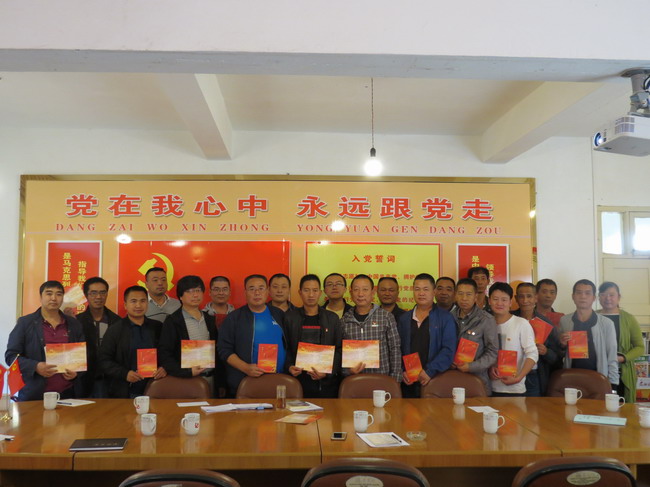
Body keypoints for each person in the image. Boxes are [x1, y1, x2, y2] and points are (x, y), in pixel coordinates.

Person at [6, 280, 85, 401]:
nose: (54, 298)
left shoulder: (74, 324)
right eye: (49, 293)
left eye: (59, 294)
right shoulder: (25, 323)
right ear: (40, 297)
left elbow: (81, 357)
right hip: (34, 394)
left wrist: (76, 373)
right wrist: (35, 366)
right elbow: (11, 356)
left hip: (67, 394)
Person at [218, 274, 287, 396]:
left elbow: (288, 344)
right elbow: (224, 350)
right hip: (245, 382)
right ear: (245, 293)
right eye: (252, 289)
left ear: (267, 291)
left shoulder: (278, 314)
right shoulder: (234, 318)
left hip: (278, 380)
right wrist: (245, 367)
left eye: (261, 288)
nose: (257, 293)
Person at [99, 285, 166, 398]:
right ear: (125, 305)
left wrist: (164, 367)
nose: (138, 305)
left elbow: (168, 352)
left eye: (143, 301)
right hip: (125, 391)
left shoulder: (158, 327)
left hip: (155, 389)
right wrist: (125, 373)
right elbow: (104, 360)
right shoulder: (115, 330)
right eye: (133, 301)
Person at [397, 273, 456, 397]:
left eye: (425, 289)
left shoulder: (445, 318)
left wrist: (430, 371)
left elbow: (448, 349)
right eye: (417, 289)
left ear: (434, 292)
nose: (421, 293)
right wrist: (402, 370)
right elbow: (398, 348)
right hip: (408, 381)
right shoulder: (404, 318)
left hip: (435, 379)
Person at [285, 274, 342, 398]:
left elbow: (339, 349)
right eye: (306, 290)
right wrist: (289, 367)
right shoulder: (290, 318)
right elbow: (286, 347)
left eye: (315, 290)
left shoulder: (332, 318)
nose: (311, 295)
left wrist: (327, 372)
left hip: (326, 384)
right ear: (300, 292)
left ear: (320, 293)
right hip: (298, 381)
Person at [341, 274, 402, 382]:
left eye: (365, 289)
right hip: (354, 381)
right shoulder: (345, 320)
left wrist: (395, 380)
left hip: (382, 380)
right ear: (351, 293)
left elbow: (395, 349)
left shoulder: (386, 317)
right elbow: (340, 352)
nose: (360, 294)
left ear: (373, 292)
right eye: (356, 290)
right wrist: (348, 371)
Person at [559, 279, 619, 390]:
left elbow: (612, 356)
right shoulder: (565, 321)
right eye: (579, 292)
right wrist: (562, 345)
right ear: (573, 296)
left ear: (594, 298)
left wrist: (613, 384)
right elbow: (561, 354)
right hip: (571, 379)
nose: (583, 296)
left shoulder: (606, 323)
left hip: (598, 379)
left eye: (587, 293)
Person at [513, 282, 564, 396]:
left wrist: (546, 352)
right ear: (516, 299)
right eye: (521, 296)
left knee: (534, 407)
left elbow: (558, 357)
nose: (525, 300)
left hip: (534, 375)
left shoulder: (546, 324)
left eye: (529, 296)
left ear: (536, 298)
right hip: (512, 373)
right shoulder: (509, 318)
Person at [488, 282, 538, 397]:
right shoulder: (485, 323)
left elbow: (532, 353)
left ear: (510, 302)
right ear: (489, 301)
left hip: (514, 389)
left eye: (504, 300)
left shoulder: (521, 324)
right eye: (495, 299)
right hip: (489, 387)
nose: (499, 303)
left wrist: (519, 377)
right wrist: (489, 368)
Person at [598, 281, 644, 403]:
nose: (607, 298)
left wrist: (623, 358)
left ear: (618, 297)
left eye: (611, 295)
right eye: (603, 294)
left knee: (621, 406)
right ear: (598, 297)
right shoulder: (594, 316)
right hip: (597, 371)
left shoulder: (629, 319)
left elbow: (640, 347)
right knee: (597, 407)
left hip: (622, 372)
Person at [451, 278, 498, 394]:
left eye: (468, 294)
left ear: (475, 297)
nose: (464, 298)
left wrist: (471, 366)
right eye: (460, 294)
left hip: (478, 379)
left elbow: (492, 352)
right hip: (452, 378)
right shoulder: (448, 317)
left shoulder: (486, 319)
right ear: (455, 295)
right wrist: (448, 361)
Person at [75, 276, 121, 398]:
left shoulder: (117, 321)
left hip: (112, 378)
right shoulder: (77, 322)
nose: (98, 297)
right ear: (86, 295)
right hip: (84, 379)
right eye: (93, 293)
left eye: (102, 292)